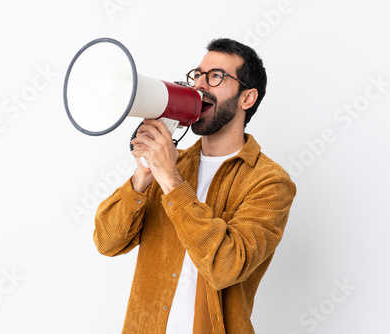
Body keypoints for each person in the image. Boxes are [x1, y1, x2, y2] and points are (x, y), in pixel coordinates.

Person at [93, 37, 296, 334]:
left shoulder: (269, 182)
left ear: (247, 98)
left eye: (216, 76)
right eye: (197, 75)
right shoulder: (173, 165)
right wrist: (143, 177)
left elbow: (226, 266)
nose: (199, 85)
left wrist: (170, 178)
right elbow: (106, 242)